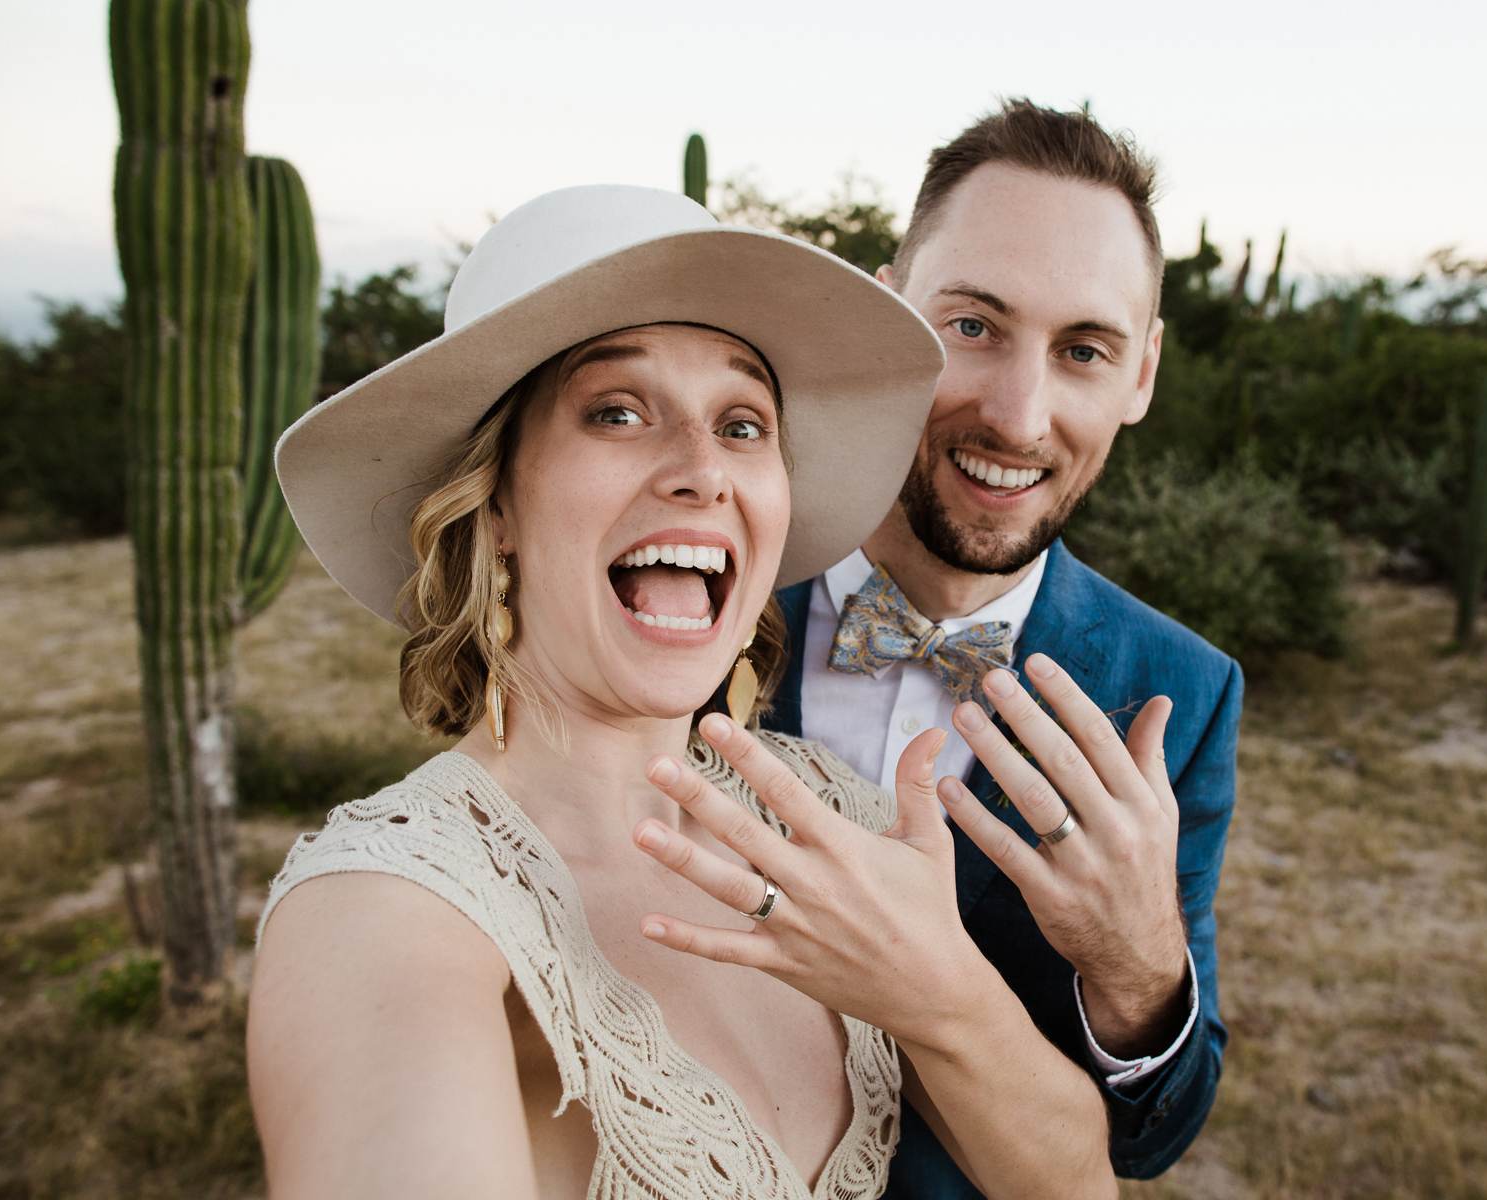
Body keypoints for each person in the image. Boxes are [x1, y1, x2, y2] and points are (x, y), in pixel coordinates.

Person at [247, 185, 1118, 1199]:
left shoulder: (835, 816)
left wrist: (944, 998)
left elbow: (1079, 1185)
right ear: (495, 510)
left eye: (743, 424)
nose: (704, 471)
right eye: (616, 411)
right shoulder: (381, 911)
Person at [759, 100, 1245, 1195]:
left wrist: (1137, 965)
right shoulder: (701, 597)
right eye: (972, 327)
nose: (1020, 418)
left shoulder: (1180, 691)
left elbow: (1154, 1140)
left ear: (1142, 376)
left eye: (1084, 350)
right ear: (887, 311)